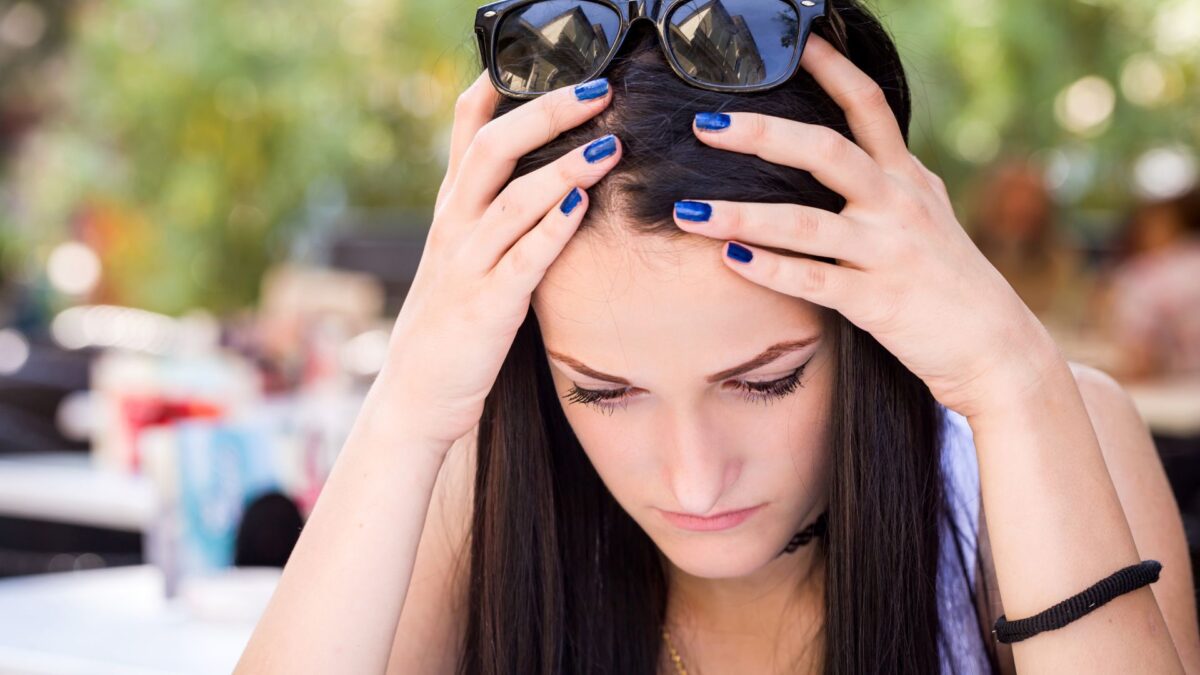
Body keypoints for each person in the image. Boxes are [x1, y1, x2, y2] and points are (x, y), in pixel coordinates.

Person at [235, 1, 1200, 673]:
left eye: (766, 380)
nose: (694, 481)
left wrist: (1013, 375)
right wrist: (405, 411)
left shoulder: (1039, 444)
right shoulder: (481, 483)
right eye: (603, 391)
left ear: (863, 321)